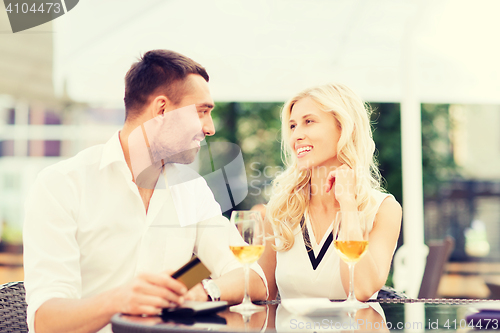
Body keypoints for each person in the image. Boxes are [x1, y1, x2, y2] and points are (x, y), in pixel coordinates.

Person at [23, 50, 267, 333]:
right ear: (162, 110)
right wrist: (119, 300)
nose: (209, 128)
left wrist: (202, 291)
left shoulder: (192, 189)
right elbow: (46, 323)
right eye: (202, 111)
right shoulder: (61, 185)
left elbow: (254, 280)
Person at [259, 83, 402, 300]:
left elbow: (361, 289)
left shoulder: (384, 209)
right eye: (292, 126)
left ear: (343, 128)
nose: (296, 135)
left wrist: (348, 204)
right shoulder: (280, 210)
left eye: (309, 122)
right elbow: (262, 292)